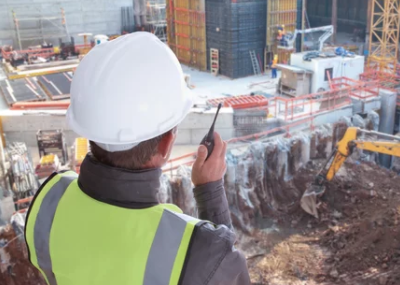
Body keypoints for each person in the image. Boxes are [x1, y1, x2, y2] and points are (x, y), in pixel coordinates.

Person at [24, 32, 250, 285]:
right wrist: (209, 191)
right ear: (166, 144)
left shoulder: (49, 204)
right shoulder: (201, 251)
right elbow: (221, 269)